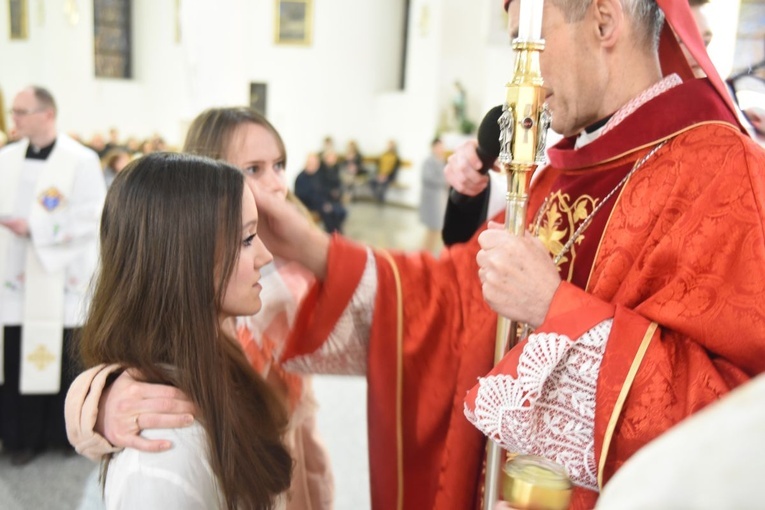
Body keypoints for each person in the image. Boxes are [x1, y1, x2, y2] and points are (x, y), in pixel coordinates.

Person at [70, 1, 765, 509]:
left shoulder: (725, 177)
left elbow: (738, 434)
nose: (523, 78)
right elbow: (450, 303)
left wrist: (555, 311)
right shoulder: (566, 172)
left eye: (530, 39)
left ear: (604, 21)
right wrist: (102, 393)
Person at [66, 107, 334, 510]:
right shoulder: (202, 282)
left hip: (279, 447)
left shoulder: (298, 258)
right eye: (254, 169)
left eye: (280, 165)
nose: (277, 183)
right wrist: (100, 402)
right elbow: (149, 346)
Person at [0, 86, 106, 466]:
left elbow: (91, 216)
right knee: (16, 358)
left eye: (20, 111)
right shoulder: (6, 159)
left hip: (61, 278)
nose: (13, 119)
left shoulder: (80, 161)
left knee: (61, 359)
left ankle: (63, 436)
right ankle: (18, 437)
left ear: (47, 114)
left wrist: (35, 228)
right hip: (15, 279)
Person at [295, 152, 347, 234]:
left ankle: (338, 234)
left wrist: (332, 195)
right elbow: (303, 196)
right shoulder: (301, 178)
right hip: (310, 205)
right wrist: (323, 203)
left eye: (314, 164)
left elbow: (325, 188)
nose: (312, 166)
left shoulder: (319, 174)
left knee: (340, 211)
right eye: (310, 163)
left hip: (324, 202)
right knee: (328, 212)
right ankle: (334, 236)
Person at [418, 138, 448, 253]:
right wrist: (445, 181)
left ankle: (427, 253)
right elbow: (427, 178)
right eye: (439, 147)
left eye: (442, 147)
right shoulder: (428, 161)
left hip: (440, 198)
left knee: (436, 229)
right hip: (432, 199)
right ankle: (424, 253)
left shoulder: (441, 161)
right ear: (433, 147)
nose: (441, 149)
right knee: (433, 228)